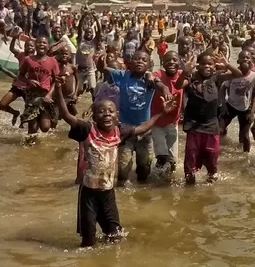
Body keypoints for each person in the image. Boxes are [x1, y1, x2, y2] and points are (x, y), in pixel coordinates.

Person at [57, 76, 176, 247]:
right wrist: (59, 90)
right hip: (88, 193)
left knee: (115, 237)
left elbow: (143, 128)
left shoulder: (119, 131)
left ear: (117, 115)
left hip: (108, 193)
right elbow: (67, 115)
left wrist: (162, 113)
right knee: (88, 242)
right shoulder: (87, 129)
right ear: (94, 117)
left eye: (111, 111)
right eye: (101, 112)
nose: (106, 114)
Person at [98, 50, 171, 186]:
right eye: (136, 59)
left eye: (144, 60)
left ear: (150, 64)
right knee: (123, 170)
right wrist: (101, 61)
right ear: (130, 63)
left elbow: (160, 84)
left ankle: (141, 198)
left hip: (145, 132)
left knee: (144, 170)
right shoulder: (122, 76)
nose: (139, 62)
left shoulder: (151, 79)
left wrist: (165, 89)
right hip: (125, 130)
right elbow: (103, 69)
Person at [176, 52, 240, 184]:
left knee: (212, 154)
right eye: (203, 64)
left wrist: (227, 64)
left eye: (210, 64)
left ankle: (211, 177)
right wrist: (184, 72)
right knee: (191, 155)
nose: (207, 67)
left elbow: (238, 74)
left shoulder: (217, 77)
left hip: (211, 124)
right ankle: (189, 181)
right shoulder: (192, 77)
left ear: (215, 66)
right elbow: (178, 86)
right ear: (197, 66)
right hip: (193, 124)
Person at [219, 50, 255, 153]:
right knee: (220, 127)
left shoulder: (254, 76)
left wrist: (252, 109)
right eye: (243, 57)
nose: (245, 59)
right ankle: (217, 150)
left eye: (248, 57)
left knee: (244, 137)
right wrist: (223, 104)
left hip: (245, 108)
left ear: (252, 61)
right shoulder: (232, 75)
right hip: (231, 105)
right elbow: (223, 88)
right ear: (238, 61)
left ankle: (245, 158)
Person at [17, 37, 60, 133]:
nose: (41, 44)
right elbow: (20, 76)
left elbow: (57, 80)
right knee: (32, 128)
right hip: (32, 95)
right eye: (39, 42)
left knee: (45, 127)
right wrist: (28, 81)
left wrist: (49, 94)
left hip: (45, 96)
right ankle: (30, 145)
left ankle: (42, 118)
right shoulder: (28, 60)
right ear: (35, 45)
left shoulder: (52, 61)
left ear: (48, 46)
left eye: (44, 43)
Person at [151, 51, 184, 175]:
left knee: (173, 161)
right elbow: (153, 78)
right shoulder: (159, 73)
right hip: (157, 122)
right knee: (162, 157)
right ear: (162, 63)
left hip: (173, 122)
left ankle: (168, 184)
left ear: (180, 63)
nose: (171, 62)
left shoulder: (181, 76)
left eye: (175, 60)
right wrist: (164, 87)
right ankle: (156, 180)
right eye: (168, 60)